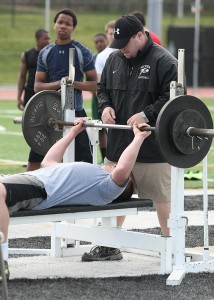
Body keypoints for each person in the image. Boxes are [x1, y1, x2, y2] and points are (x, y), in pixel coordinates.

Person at [0, 119, 151, 279]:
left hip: (39, 189)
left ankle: (2, 261)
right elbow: (48, 162)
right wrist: (73, 132)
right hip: (23, 179)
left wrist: (139, 138)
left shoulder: (105, 189)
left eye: (116, 168)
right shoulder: (93, 173)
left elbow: (122, 169)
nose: (114, 165)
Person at [81, 15, 178, 262]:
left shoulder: (165, 61)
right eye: (118, 42)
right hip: (118, 146)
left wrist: (147, 113)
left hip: (152, 148)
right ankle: (108, 246)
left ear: (140, 35)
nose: (122, 49)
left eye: (126, 43)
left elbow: (175, 97)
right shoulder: (115, 57)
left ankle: (171, 248)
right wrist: (104, 106)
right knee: (112, 195)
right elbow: (103, 89)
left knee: (161, 199)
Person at [34, 8, 97, 165]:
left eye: (67, 24)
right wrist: (60, 83)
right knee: (49, 160)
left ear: (73, 28)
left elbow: (96, 85)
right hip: (50, 114)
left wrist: (73, 84)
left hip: (76, 112)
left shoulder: (83, 52)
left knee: (84, 161)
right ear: (54, 25)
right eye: (60, 22)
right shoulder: (45, 53)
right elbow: (37, 86)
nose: (63, 26)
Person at [17, 29, 50, 171]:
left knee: (45, 126)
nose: (48, 41)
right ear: (37, 39)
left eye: (49, 38)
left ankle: (43, 157)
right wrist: (19, 96)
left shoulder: (49, 54)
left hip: (45, 95)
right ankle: (36, 155)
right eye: (45, 38)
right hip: (30, 94)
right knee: (31, 128)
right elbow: (22, 76)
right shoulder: (27, 54)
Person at [91, 33, 108, 162]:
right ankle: (103, 156)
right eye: (96, 42)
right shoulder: (93, 58)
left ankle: (112, 155)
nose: (99, 44)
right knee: (99, 128)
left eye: (101, 41)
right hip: (96, 97)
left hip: (109, 98)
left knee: (111, 127)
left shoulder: (111, 56)